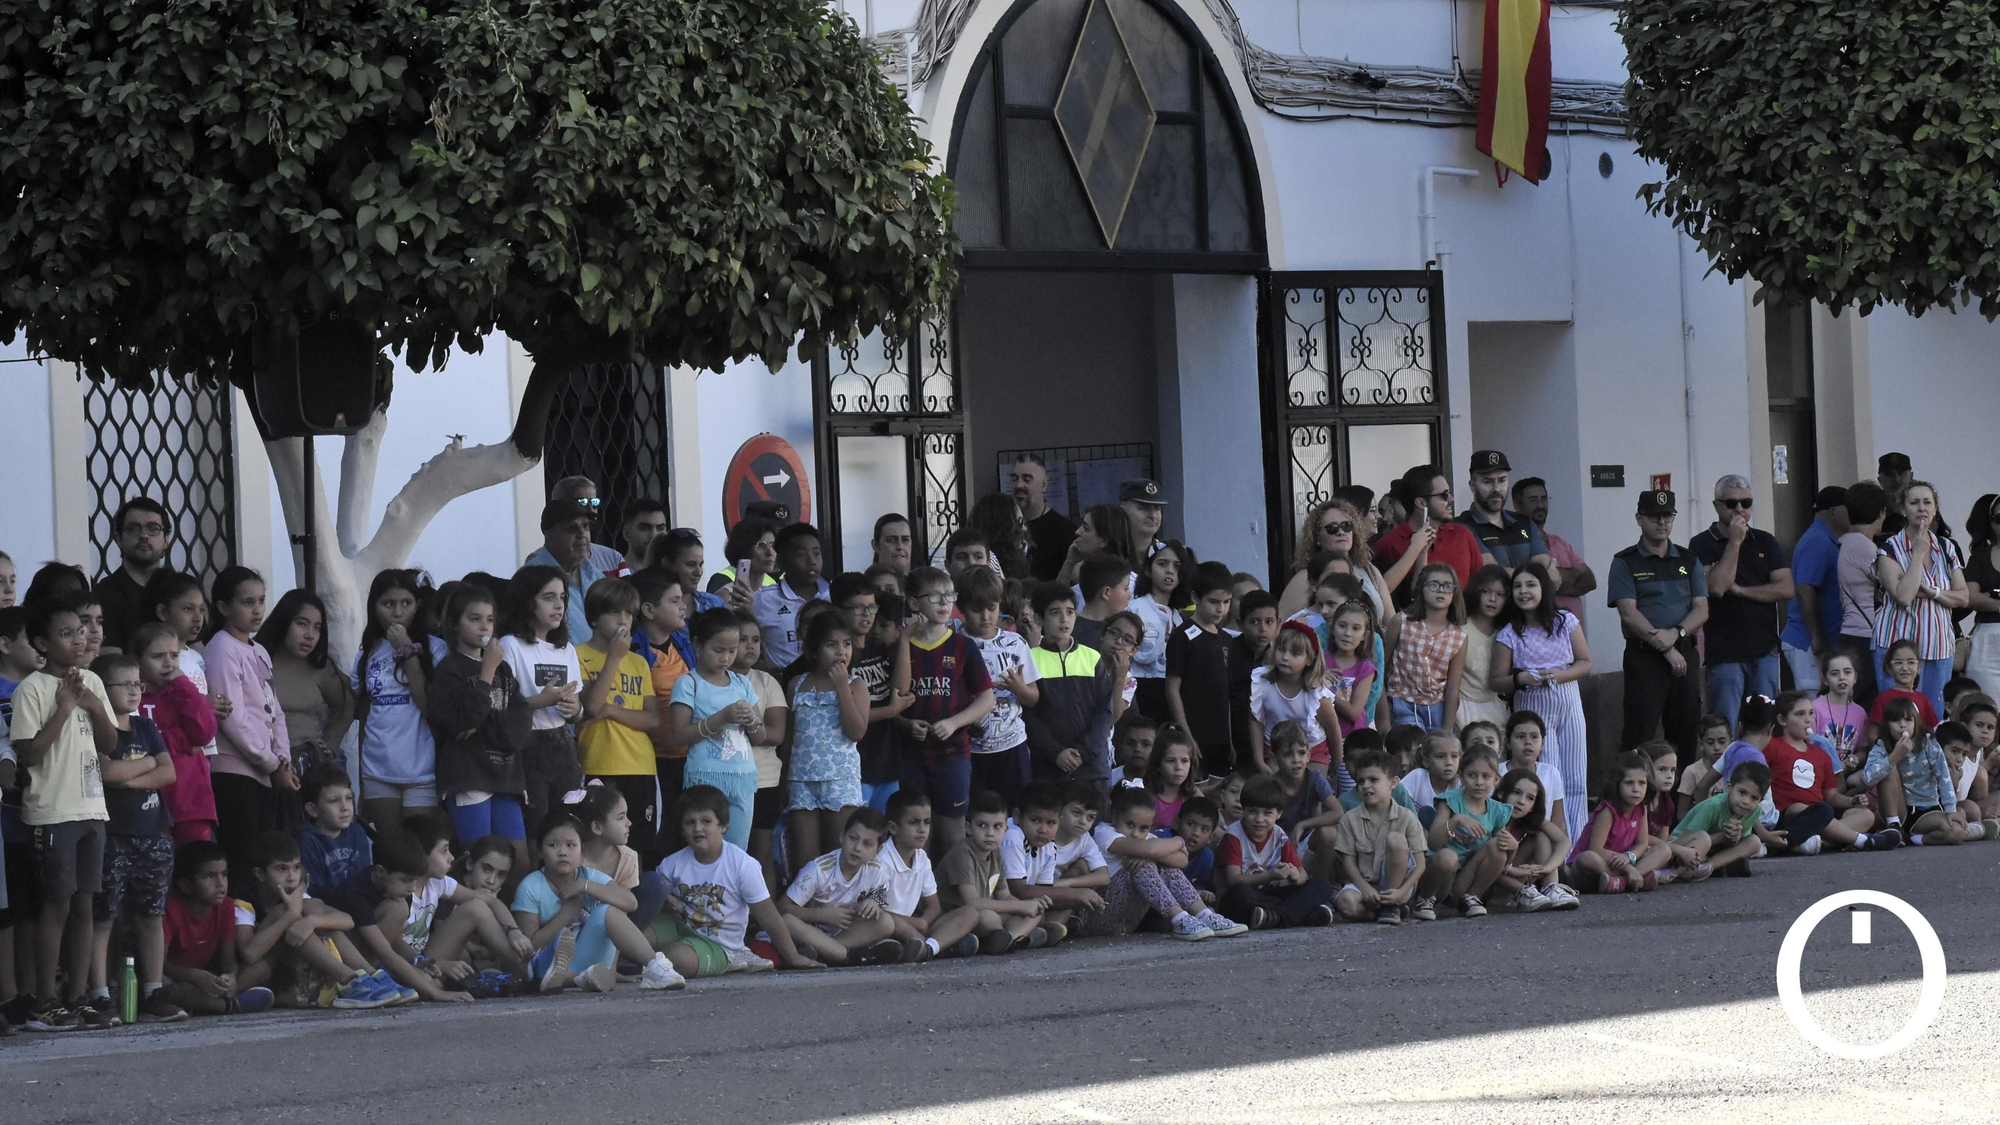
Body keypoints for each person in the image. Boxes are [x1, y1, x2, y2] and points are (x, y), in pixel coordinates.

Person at [82, 652, 181, 1024]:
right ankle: (99, 992)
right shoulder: (98, 731)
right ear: (101, 689)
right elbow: (106, 772)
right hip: (113, 836)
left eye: (138, 683)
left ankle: (153, 989)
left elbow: (168, 772)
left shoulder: (146, 727)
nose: (135, 690)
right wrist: (147, 764)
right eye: (125, 684)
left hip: (153, 832)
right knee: (103, 916)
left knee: (151, 915)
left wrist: (131, 777)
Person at [652, 786, 818, 977]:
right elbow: (656, 896)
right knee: (638, 938)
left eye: (706, 821)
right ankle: (653, 961)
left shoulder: (742, 865)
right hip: (677, 925)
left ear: (723, 826)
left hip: (717, 944)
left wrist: (793, 957)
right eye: (690, 822)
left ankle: (731, 959)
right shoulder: (672, 864)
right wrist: (665, 900)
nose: (697, 828)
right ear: (682, 829)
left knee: (676, 960)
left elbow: (768, 916)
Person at [513, 809, 683, 991]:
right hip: (547, 966)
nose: (562, 852)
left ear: (582, 851)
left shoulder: (588, 876)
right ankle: (583, 977)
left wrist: (586, 886)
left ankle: (656, 967)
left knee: (607, 910)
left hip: (588, 957)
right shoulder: (530, 887)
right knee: (544, 969)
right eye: (553, 845)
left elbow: (630, 902)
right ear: (540, 851)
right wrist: (566, 915)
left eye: (571, 845)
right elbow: (529, 949)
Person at [201, 567, 294, 896]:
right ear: (223, 607)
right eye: (247, 602)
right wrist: (271, 762)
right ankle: (241, 926)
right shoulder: (221, 648)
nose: (257, 610)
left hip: (264, 770)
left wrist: (283, 759)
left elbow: (274, 710)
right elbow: (232, 716)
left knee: (263, 862)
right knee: (242, 862)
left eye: (261, 601)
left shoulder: (259, 650)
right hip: (235, 770)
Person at [428, 583, 532, 865]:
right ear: (454, 623)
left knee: (518, 860)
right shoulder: (449, 668)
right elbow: (463, 720)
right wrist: (486, 671)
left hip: (506, 776)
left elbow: (521, 725)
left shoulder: (504, 669)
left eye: (489, 619)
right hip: (468, 775)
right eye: (474, 619)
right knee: (478, 859)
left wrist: (484, 722)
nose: (484, 627)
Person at [895, 567, 995, 857]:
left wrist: (953, 723)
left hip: (953, 755)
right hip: (911, 757)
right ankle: (919, 886)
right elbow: (894, 700)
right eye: (935, 596)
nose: (944, 602)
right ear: (914, 602)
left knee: (952, 832)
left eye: (949, 595)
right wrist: (905, 724)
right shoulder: (901, 646)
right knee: (916, 835)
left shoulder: (963, 646)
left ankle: (954, 886)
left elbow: (986, 698)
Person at [1491, 562, 1592, 841]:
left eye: (1531, 584)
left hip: (1568, 700)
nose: (1524, 591)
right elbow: (1496, 680)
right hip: (1533, 706)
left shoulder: (1565, 621)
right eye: (1517, 586)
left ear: (1544, 588)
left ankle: (1576, 846)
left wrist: (1561, 675)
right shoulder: (1510, 633)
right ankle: (1547, 845)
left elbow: (1585, 662)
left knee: (1575, 777)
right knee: (1546, 777)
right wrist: (1520, 678)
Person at [1609, 489, 1709, 763]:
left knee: (1685, 733)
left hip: (1684, 654)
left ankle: (1682, 791)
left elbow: (1702, 609)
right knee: (1639, 734)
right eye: (1654, 516)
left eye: (1667, 515)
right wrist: (1665, 648)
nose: (1662, 522)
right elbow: (1629, 612)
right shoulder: (1625, 562)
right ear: (1639, 519)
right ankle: (1633, 790)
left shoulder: (1688, 560)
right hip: (1645, 658)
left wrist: (1676, 634)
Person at [1689, 475, 1795, 730]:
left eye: (1746, 503)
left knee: (1764, 725)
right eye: (1731, 503)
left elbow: (1786, 588)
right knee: (1724, 727)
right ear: (1716, 506)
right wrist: (1735, 542)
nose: (1739, 509)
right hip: (1725, 654)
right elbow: (1716, 588)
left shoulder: (1765, 541)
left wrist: (1740, 590)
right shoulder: (1702, 543)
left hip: (1764, 651)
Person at [352, 569, 447, 830]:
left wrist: (407, 651)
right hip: (377, 768)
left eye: (406, 603)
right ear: (374, 608)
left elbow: (428, 707)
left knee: (420, 845)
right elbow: (364, 717)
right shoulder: (367, 653)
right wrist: (361, 781)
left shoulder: (435, 649)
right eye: (388, 604)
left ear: (418, 605)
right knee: (390, 846)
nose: (397, 613)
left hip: (422, 769)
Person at [1085, 786, 1245, 940]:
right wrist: (1178, 841)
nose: (1135, 834)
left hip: (1127, 920)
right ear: (1114, 817)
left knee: (1164, 865)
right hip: (1100, 916)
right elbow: (1150, 850)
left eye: (1143, 828)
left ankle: (1205, 915)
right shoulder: (1105, 833)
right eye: (1130, 825)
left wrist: (1157, 854)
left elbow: (1182, 860)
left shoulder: (1148, 839)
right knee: (1144, 865)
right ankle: (1179, 919)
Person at [666, 609, 763, 850]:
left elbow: (760, 736)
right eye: (718, 650)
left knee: (737, 849)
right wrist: (721, 718)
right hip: (705, 778)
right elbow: (679, 735)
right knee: (704, 847)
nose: (726, 658)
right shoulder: (688, 683)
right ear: (697, 644)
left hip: (742, 779)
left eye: (732, 651)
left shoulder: (741, 683)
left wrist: (750, 719)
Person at [1873, 479, 1969, 718]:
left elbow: (1963, 597)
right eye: (1914, 502)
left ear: (1935, 508)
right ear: (1903, 509)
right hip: (1897, 646)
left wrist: (1931, 592)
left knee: (1932, 717)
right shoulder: (1889, 548)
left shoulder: (1947, 548)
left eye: (1927, 502)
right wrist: (1917, 553)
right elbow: (1904, 596)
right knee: (1898, 716)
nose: (1921, 508)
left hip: (1938, 643)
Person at [499, 566, 584, 832]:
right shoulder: (510, 645)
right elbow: (501, 706)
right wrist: (541, 701)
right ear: (527, 602)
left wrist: (575, 709)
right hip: (527, 745)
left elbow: (577, 708)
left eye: (562, 597)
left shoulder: (566, 649)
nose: (559, 605)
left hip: (563, 744)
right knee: (536, 829)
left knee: (569, 823)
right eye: (549, 597)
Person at [784, 611, 870, 873]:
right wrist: (783, 780)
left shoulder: (856, 685)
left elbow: (856, 732)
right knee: (805, 863)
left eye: (847, 644)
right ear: (814, 650)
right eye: (831, 644)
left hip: (840, 780)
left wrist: (842, 687)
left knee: (839, 856)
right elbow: (789, 737)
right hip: (801, 781)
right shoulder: (797, 684)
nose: (841, 651)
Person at [1767, 689, 1896, 854]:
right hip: (1788, 817)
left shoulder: (1820, 753)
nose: (1808, 719)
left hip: (1821, 815)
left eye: (1811, 713)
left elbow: (1832, 796)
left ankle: (1818, 843)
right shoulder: (1772, 746)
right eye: (1800, 714)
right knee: (1800, 808)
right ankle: (1864, 841)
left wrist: (1851, 801)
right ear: (1782, 720)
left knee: (1865, 815)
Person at [776, 808, 906, 966]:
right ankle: (853, 957)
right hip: (810, 931)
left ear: (878, 850)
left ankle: (828, 953)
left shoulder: (876, 869)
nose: (857, 847)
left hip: (844, 935)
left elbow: (882, 896)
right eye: (853, 838)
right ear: (842, 836)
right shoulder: (818, 869)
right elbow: (782, 908)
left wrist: (874, 902)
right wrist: (821, 915)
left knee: (886, 922)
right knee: (787, 922)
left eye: (867, 844)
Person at [158, 841, 276, 1016]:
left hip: (207, 979)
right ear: (186, 886)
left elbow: (229, 961)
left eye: (224, 874)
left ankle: (208, 1002)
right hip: (179, 978)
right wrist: (194, 975)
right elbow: (159, 965)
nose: (221, 883)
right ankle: (229, 1006)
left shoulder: (226, 906)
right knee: (166, 985)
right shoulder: (171, 910)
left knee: (261, 968)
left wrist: (230, 977)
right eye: (209, 877)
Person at [958, 567, 1039, 812]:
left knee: (1015, 812)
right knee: (975, 813)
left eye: (992, 608)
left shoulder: (1015, 643)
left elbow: (1033, 697)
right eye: (976, 609)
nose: (985, 617)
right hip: (969, 748)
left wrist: (1019, 688)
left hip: (1011, 746)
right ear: (961, 608)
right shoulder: (955, 644)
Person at [131, 621, 218, 846]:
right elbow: (137, 748)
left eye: (174, 655)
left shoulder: (184, 693)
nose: (168, 663)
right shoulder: (131, 700)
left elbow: (204, 733)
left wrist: (184, 685)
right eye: (157, 656)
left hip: (192, 804)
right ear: (138, 661)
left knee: (195, 864)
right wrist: (182, 739)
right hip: (148, 806)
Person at [255, 590, 353, 784]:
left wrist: (331, 743)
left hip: (311, 765)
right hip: (266, 765)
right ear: (283, 621)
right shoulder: (256, 658)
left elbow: (345, 705)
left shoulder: (320, 666)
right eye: (301, 624)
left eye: (317, 628)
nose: (310, 635)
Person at [1216, 775, 1335, 929]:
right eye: (1253, 812)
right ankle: (1299, 916)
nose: (1259, 819)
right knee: (1239, 894)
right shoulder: (1234, 835)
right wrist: (1269, 876)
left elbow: (1302, 875)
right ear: (1244, 810)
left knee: (1322, 885)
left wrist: (1295, 876)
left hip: (1267, 895)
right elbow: (1234, 880)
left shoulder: (1278, 834)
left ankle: (1276, 917)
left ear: (1278, 814)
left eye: (1267, 813)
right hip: (1242, 897)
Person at [937, 790, 1047, 953]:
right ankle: (1015, 938)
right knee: (989, 918)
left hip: (983, 913)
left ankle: (1009, 939)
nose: (990, 833)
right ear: (968, 828)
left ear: (1006, 829)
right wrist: (1021, 906)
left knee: (1034, 914)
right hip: (956, 918)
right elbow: (972, 903)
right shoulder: (962, 853)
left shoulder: (996, 853)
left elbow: (1005, 896)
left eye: (997, 827)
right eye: (982, 825)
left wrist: (1030, 905)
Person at [879, 789, 983, 960]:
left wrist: (924, 922)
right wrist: (917, 923)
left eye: (926, 822)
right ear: (893, 827)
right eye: (914, 823)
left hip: (917, 927)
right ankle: (941, 946)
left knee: (970, 913)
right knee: (889, 923)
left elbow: (934, 907)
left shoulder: (921, 858)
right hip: (890, 928)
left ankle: (928, 949)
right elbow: (877, 912)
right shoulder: (881, 861)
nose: (922, 829)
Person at [1329, 749, 1427, 924]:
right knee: (1345, 903)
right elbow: (1348, 862)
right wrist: (1365, 888)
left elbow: (1420, 863)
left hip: (1399, 887)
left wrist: (1401, 892)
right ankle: (1380, 913)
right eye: (1361, 781)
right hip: (1365, 884)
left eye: (1374, 780)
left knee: (1396, 840)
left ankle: (1392, 905)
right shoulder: (1349, 819)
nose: (1366, 785)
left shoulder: (1407, 817)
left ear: (1393, 783)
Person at [1166, 563, 1240, 778]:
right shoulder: (1182, 636)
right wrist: (1186, 735)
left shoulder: (1227, 640)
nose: (1221, 609)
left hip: (1221, 739)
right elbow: (1172, 689)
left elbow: (1227, 694)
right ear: (1195, 597)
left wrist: (1231, 740)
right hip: (1194, 735)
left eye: (1226, 602)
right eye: (1213, 602)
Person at [1373, 465, 1486, 605]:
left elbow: (1481, 586)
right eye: (1444, 495)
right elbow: (1382, 598)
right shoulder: (1388, 545)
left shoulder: (1463, 535)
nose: (1451, 499)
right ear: (1421, 503)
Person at [1859, 704, 1964, 846]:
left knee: (1956, 833)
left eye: (1908, 720)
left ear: (1916, 722)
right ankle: (1894, 827)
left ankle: (1914, 839)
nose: (1902, 725)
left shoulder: (1928, 742)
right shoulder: (1882, 745)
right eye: (1895, 720)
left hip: (1926, 811)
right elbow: (1867, 779)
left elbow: (1943, 775)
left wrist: (1950, 808)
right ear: (1887, 724)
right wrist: (1895, 756)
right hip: (1897, 810)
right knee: (1889, 769)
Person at [1780, 487, 1852, 691]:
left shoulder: (1826, 540)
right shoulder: (1818, 541)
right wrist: (1817, 637)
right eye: (1849, 508)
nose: (1854, 514)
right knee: (1814, 703)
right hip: (1807, 643)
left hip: (1816, 642)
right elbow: (1805, 589)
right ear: (1833, 511)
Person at [1567, 751, 1669, 893]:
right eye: (1629, 783)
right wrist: (1628, 868)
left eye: (1642, 783)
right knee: (1587, 858)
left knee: (1664, 850)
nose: (1636, 789)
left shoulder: (1641, 808)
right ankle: (1633, 878)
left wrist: (1629, 856)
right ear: (1617, 785)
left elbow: (1642, 843)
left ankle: (1622, 882)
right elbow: (1596, 849)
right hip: (1596, 869)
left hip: (1623, 861)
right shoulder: (1608, 811)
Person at [1382, 563, 1466, 732]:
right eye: (1433, 584)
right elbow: (1382, 667)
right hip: (1401, 702)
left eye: (1447, 586)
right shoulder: (1401, 622)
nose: (1441, 590)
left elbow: (1453, 687)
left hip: (1437, 708)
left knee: (1433, 747)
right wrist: (1384, 713)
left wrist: (1447, 729)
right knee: (1412, 744)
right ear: (1421, 588)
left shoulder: (1459, 637)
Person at [1248, 622, 1341, 776]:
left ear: (1309, 659)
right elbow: (1256, 720)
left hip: (1312, 749)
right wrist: (1259, 760)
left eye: (1295, 654)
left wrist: (1336, 762)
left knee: (1313, 786)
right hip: (1275, 750)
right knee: (1275, 787)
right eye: (1281, 649)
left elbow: (1333, 727)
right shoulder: (1263, 683)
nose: (1285, 657)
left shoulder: (1316, 694)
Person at [1276, 498, 1393, 620]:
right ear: (1317, 537)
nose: (1341, 532)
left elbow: (1390, 620)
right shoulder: (1305, 577)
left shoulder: (1369, 570)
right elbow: (1281, 625)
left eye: (1347, 526)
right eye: (1332, 528)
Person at [95, 497, 176, 652]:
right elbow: (111, 661)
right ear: (119, 538)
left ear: (166, 540)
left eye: (153, 528)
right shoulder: (105, 594)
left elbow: (198, 651)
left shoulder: (180, 589)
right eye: (133, 528)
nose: (144, 535)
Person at [1511, 477, 1596, 624]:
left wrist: (1552, 588)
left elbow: (1589, 580)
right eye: (1533, 500)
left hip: (1574, 632)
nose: (1540, 505)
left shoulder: (1558, 541)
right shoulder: (1517, 543)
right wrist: (1574, 575)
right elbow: (1541, 580)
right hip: (1544, 630)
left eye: (1544, 499)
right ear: (1517, 505)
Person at [1835, 482, 1890, 705]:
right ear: (1881, 512)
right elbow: (1892, 583)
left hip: (1857, 633)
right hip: (1864, 635)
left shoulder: (1850, 541)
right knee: (1864, 703)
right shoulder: (1862, 545)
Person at [526, 499, 611, 645]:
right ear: (550, 536)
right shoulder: (531, 577)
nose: (582, 534)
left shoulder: (595, 575)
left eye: (586, 526)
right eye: (572, 528)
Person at [1670, 760, 1771, 878]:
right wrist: (1723, 836)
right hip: (1681, 846)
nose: (1746, 802)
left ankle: (1708, 867)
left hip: (1715, 850)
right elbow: (1688, 838)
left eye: (1754, 798)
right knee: (1703, 838)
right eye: (1742, 792)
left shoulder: (1754, 812)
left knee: (1754, 842)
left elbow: (1735, 845)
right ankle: (1681, 871)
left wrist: (1735, 838)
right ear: (1729, 787)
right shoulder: (1713, 806)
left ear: (1761, 800)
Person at [1454, 451, 1548, 574]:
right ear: (1472, 486)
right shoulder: (1462, 527)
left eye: (1502, 480)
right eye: (1487, 482)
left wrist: (1548, 570)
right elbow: (1493, 573)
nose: (1497, 489)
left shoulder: (1524, 522)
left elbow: (1544, 562)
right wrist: (1535, 578)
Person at [753, 523, 830, 670]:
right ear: (781, 562)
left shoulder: (832, 595)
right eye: (801, 554)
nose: (812, 561)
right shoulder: (763, 600)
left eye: (816, 553)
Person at [1129, 541, 1188, 719]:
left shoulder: (1177, 617)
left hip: (1168, 691)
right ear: (1148, 570)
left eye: (1177, 566)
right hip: (1140, 688)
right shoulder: (1135, 608)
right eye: (1162, 564)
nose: (1170, 571)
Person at [297, 765, 371, 895]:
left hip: (359, 899)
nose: (345, 807)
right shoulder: (307, 840)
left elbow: (365, 879)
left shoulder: (357, 832)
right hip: (324, 903)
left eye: (348, 798)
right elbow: (314, 890)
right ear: (313, 810)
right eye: (334, 801)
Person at [1455, 565, 1510, 733]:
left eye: (1500, 594)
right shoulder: (1460, 628)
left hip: (1495, 708)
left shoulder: (1506, 633)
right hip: (1461, 707)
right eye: (1486, 591)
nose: (1492, 599)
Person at [1008, 454, 1076, 582]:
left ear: (1043, 485)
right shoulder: (1003, 527)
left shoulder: (1065, 532)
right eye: (1015, 479)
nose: (1019, 485)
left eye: (1027, 479)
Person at [1964, 493, 2000, 700]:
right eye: (1999, 518)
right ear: (1992, 523)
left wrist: (1989, 597)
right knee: (1984, 704)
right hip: (1987, 639)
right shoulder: (1980, 556)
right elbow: (1971, 598)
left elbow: (1979, 597)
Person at [968, 493, 1030, 579]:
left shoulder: (1014, 561)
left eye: (1023, 522)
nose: (1024, 528)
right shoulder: (988, 563)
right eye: (1019, 522)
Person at [611, 498, 670, 579]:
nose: (654, 535)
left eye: (660, 528)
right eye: (644, 528)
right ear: (626, 534)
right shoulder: (616, 577)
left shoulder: (670, 575)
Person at [1119, 479, 1169, 556]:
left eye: (1157, 508)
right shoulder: (1109, 554)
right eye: (1143, 508)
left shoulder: (1167, 555)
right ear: (1123, 509)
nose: (1153, 515)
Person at [1876, 452, 1914, 540]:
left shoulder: (1923, 510)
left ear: (1911, 476)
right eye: (1889, 474)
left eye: (1901, 473)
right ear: (1879, 480)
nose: (1896, 479)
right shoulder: (1874, 514)